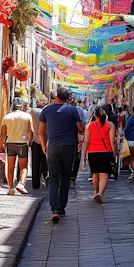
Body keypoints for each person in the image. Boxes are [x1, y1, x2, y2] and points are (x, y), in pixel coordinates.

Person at [39, 87, 85, 222]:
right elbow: (81, 128)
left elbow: (41, 131)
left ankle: (55, 208)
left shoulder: (46, 110)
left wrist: (43, 145)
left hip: (52, 146)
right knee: (65, 177)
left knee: (53, 178)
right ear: (68, 99)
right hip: (69, 147)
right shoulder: (72, 109)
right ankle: (62, 208)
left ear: (56, 97)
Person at [82, 106, 117, 204]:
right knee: (104, 175)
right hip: (106, 152)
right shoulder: (110, 125)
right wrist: (114, 153)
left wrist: (84, 156)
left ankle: (96, 191)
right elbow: (113, 141)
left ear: (94, 115)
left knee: (95, 174)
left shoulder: (89, 126)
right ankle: (100, 193)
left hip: (92, 153)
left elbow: (86, 141)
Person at [0, 98, 33, 195]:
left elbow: (2, 133)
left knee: (10, 167)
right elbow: (30, 131)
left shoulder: (7, 117)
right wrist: (30, 140)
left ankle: (11, 188)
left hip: (10, 143)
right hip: (22, 143)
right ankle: (21, 184)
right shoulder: (27, 116)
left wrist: (2, 145)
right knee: (23, 167)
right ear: (22, 106)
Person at [30, 99, 48, 189]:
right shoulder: (47, 113)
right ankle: (46, 178)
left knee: (35, 163)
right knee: (46, 162)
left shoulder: (33, 112)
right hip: (46, 141)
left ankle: (35, 184)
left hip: (35, 140)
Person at [70, 98, 86, 189]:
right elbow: (82, 127)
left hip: (63, 139)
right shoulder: (79, 110)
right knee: (76, 158)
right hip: (74, 138)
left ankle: (68, 178)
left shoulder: (57, 109)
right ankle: (72, 178)